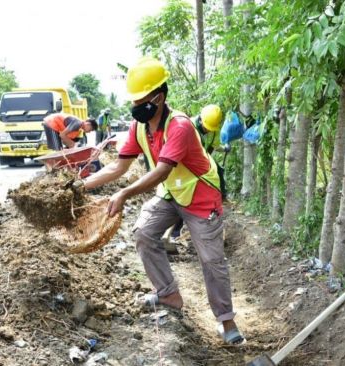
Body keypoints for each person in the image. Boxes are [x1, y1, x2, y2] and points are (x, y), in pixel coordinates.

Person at [79, 56, 244, 345]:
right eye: (133, 101)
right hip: (171, 193)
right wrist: (81, 185)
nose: (135, 106)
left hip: (200, 196)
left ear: (159, 97)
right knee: (144, 233)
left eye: (141, 100)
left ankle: (226, 320)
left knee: (211, 259)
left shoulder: (179, 126)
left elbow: (161, 170)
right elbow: (119, 166)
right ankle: (168, 294)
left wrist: (123, 193)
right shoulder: (139, 127)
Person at [170, 104, 226, 241]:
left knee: (218, 171)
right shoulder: (187, 126)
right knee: (183, 195)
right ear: (200, 120)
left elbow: (210, 150)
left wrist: (206, 170)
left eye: (210, 129)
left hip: (202, 160)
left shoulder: (214, 129)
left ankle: (215, 208)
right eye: (206, 128)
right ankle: (175, 231)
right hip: (185, 163)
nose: (208, 131)